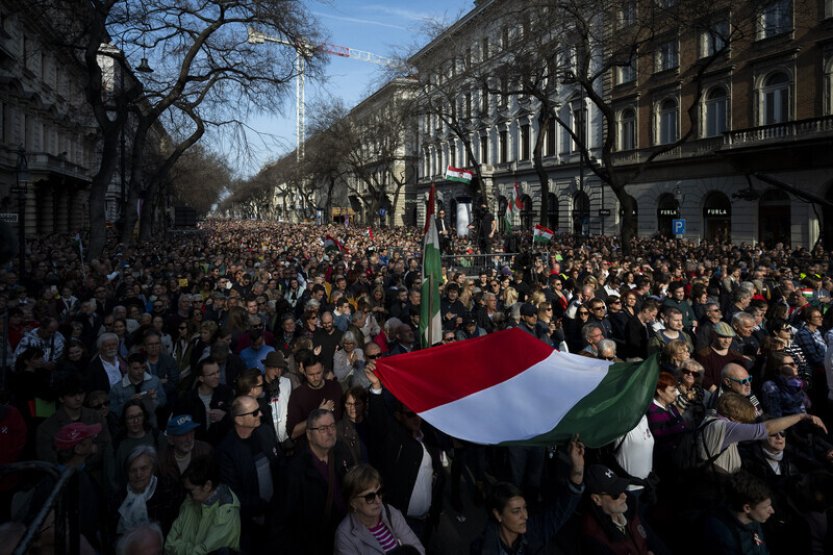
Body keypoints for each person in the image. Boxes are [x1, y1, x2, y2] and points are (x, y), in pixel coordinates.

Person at [275, 408, 352, 554]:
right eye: (323, 429)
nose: (330, 432)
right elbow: (283, 520)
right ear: (309, 435)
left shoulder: (341, 453)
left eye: (332, 426)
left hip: (347, 535)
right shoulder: (294, 471)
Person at [216, 395, 282, 553]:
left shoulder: (265, 432)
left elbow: (280, 466)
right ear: (239, 420)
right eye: (254, 413)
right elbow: (234, 494)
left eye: (258, 410)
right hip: (249, 525)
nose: (260, 414)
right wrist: (261, 510)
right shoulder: (226, 451)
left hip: (276, 516)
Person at [335, 464, 425, 554]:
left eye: (379, 492)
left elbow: (417, 549)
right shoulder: (345, 536)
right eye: (370, 497)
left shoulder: (390, 512)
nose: (378, 501)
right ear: (353, 502)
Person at [165, 456, 241, 555]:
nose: (187, 494)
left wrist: (179, 545)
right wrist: (191, 548)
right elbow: (168, 545)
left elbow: (203, 553)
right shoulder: (191, 500)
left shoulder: (226, 512)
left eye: (191, 490)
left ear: (207, 486)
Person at [581, 464, 655, 555]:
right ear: (597, 499)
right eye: (615, 494)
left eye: (621, 489)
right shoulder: (594, 538)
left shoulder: (631, 509)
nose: (624, 496)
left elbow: (653, 541)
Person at [703, 472, 775, 554]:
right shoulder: (723, 535)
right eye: (766, 507)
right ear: (747, 508)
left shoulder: (753, 519)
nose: (772, 511)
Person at [115, 445, 179, 536]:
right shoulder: (119, 497)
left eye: (144, 468)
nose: (138, 475)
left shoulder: (167, 491)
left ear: (152, 468)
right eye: (133, 470)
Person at [337, 386, 370, 466]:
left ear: (364, 404)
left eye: (357, 404)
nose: (353, 408)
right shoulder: (338, 430)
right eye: (349, 404)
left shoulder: (372, 424)